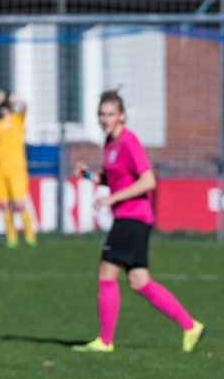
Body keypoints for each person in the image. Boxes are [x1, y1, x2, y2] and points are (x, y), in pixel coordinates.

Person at [70, 90, 205, 354]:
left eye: (110, 114)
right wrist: (88, 176)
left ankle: (105, 341)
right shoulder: (110, 143)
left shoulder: (128, 142)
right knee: (139, 281)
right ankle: (191, 327)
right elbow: (115, 179)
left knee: (106, 273)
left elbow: (148, 180)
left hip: (133, 216)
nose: (105, 119)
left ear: (121, 116)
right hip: (131, 217)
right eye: (101, 114)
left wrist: (112, 199)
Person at [0, 89, 36, 249]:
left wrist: (9, 97)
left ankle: (29, 235)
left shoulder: (17, 120)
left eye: (4, 106)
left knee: (19, 204)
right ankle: (11, 237)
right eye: (1, 107)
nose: (3, 109)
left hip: (16, 169)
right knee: (4, 205)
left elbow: (25, 104)